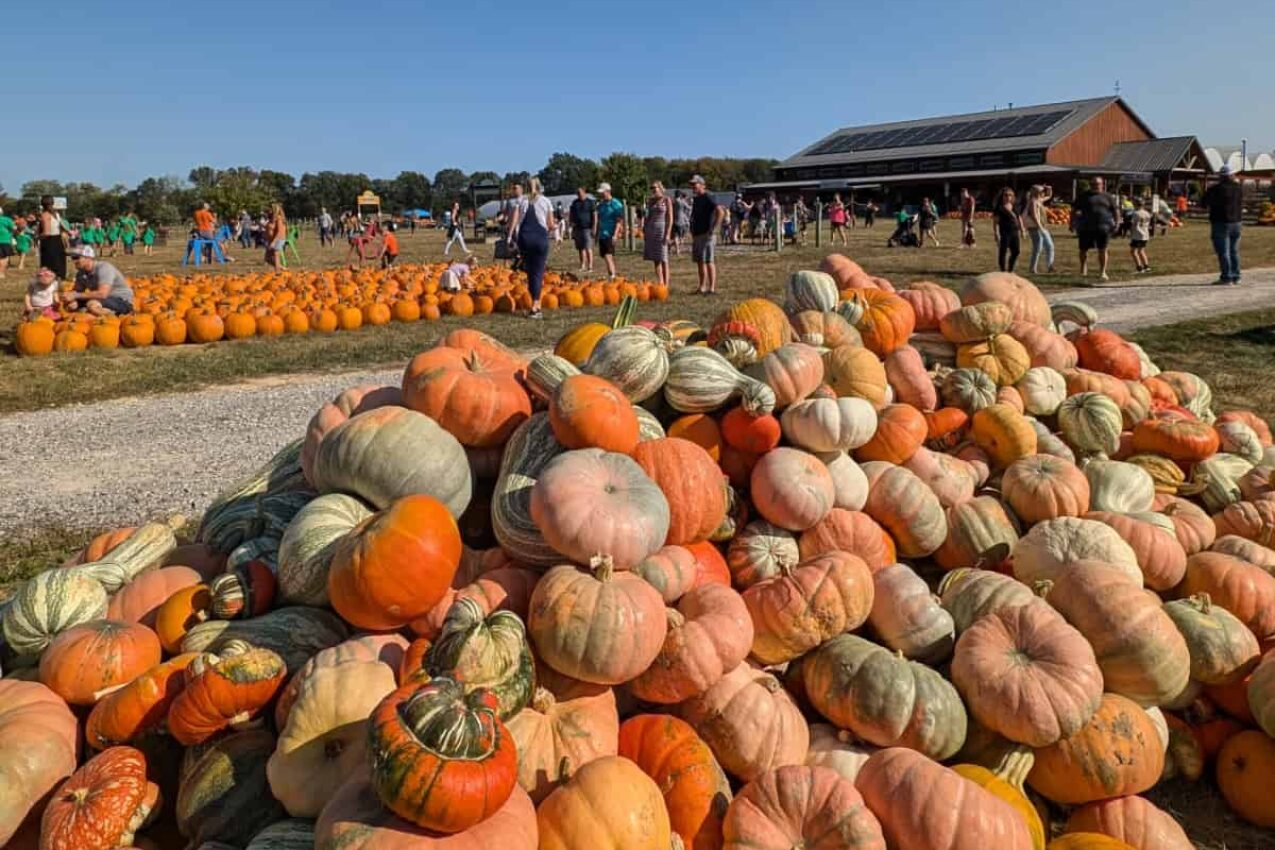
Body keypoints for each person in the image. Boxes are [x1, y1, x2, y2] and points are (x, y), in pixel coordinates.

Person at [506, 177, 554, 319]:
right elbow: (550, 224)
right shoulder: (546, 201)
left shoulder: (520, 201)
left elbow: (513, 221)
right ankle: (535, 305)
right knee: (538, 272)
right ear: (540, 187)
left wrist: (509, 237)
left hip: (525, 238)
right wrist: (555, 232)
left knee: (530, 271)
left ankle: (535, 303)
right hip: (540, 238)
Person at [1203, 165, 1244, 285]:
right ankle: (1236, 275)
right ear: (1232, 175)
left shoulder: (1215, 189)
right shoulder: (1239, 188)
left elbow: (1204, 203)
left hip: (1221, 222)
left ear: (1220, 176)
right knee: (1234, 251)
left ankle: (1227, 276)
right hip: (1237, 222)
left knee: (1223, 251)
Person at [62, 247, 133, 315]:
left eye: (76, 258)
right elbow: (77, 291)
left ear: (88, 258)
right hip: (101, 300)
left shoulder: (104, 268)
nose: (74, 261)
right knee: (73, 306)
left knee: (92, 305)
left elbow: (102, 294)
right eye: (72, 258)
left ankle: (116, 318)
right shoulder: (81, 273)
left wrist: (76, 295)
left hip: (120, 300)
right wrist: (68, 297)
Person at [1074, 177, 1118, 281]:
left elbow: (1115, 211)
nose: (1095, 186)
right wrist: (1072, 223)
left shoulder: (1108, 196)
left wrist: (1117, 222)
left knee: (1103, 249)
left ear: (1102, 185)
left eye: (1098, 184)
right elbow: (1074, 209)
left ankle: (1102, 271)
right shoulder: (1083, 196)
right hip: (1086, 227)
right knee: (1083, 250)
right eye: (1093, 184)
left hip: (1103, 227)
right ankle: (1083, 268)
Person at [689, 174, 723, 295]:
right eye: (691, 184)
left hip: (707, 234)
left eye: (695, 184)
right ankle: (702, 286)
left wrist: (713, 228)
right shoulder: (696, 199)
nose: (692, 186)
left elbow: (720, 211)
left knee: (708, 260)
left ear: (702, 185)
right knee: (700, 261)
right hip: (697, 234)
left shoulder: (709, 196)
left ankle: (712, 288)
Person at [643, 181, 674, 289]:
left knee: (663, 258)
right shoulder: (651, 201)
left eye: (654, 188)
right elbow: (647, 217)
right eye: (651, 188)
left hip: (662, 229)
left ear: (660, 188)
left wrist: (668, 234)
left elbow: (670, 218)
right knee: (656, 259)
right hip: (651, 229)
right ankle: (660, 282)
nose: (653, 190)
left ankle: (666, 284)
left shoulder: (667, 200)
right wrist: (645, 229)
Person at [595, 183, 625, 280]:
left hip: (610, 233)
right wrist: (596, 234)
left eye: (602, 192)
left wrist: (615, 234)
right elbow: (599, 219)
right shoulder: (601, 205)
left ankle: (612, 276)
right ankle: (612, 275)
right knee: (606, 255)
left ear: (608, 191)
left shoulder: (616, 204)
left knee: (608, 255)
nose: (601, 195)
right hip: (602, 234)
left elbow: (619, 220)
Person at [1022, 185, 1055, 273]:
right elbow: (1034, 215)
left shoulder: (1039, 200)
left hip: (1042, 227)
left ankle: (1050, 266)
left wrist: (1049, 188)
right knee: (1038, 247)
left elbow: (1049, 196)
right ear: (1036, 192)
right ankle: (1032, 268)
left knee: (1049, 246)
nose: (1043, 193)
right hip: (1035, 227)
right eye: (1041, 191)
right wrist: (1039, 227)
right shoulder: (1033, 201)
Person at [992, 187, 1025, 273]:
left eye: (1010, 195)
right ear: (1002, 196)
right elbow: (995, 222)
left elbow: (1019, 218)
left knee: (1016, 251)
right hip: (1005, 232)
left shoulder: (1014, 206)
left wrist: (1022, 230)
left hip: (1014, 231)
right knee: (1003, 251)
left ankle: (1010, 268)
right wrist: (996, 234)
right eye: (1006, 195)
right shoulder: (999, 208)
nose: (1008, 197)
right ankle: (1003, 270)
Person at [37, 196, 68, 280]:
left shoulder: (45, 215)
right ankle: (60, 278)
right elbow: (62, 228)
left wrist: (37, 237)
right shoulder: (56, 214)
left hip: (49, 242)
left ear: (42, 204)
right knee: (59, 262)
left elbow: (46, 232)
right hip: (58, 240)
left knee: (49, 264)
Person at [568, 187, 595, 271]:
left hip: (587, 228)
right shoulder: (575, 203)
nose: (578, 194)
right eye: (577, 193)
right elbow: (571, 214)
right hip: (577, 228)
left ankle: (590, 266)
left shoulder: (590, 202)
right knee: (580, 248)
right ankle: (582, 265)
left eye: (580, 192)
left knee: (588, 247)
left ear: (584, 192)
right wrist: (571, 223)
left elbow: (595, 215)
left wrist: (594, 226)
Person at [1128, 198, 1152, 273]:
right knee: (1141, 251)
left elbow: (1134, 224)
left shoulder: (1136, 213)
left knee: (1133, 251)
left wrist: (1130, 232)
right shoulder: (1147, 213)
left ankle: (1139, 267)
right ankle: (1146, 266)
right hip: (1145, 233)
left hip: (1137, 234)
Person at [266, 203, 287, 271]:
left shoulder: (279, 218)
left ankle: (277, 271)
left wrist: (273, 242)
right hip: (272, 240)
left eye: (269, 209)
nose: (268, 210)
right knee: (267, 258)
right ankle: (282, 268)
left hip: (279, 239)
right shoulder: (272, 218)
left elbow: (279, 231)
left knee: (276, 253)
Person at [672, 189, 692, 255]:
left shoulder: (673, 202)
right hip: (681, 221)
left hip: (674, 221)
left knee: (675, 236)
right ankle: (679, 248)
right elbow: (689, 208)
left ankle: (677, 250)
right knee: (681, 237)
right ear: (680, 195)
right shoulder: (682, 202)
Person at [0, 206, 14, 279]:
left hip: (4, 240)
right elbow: (13, 229)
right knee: (4, 257)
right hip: (4, 240)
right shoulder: (7, 219)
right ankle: (1, 273)